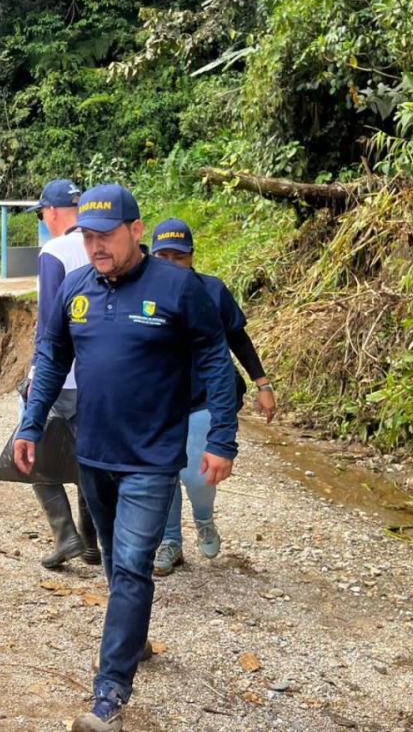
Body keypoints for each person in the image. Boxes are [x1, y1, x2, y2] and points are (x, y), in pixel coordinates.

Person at [14, 184, 239, 732]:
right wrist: (31, 422)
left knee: (134, 568)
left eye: (106, 236)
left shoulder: (179, 288)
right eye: (88, 236)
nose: (96, 247)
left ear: (136, 231)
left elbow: (214, 361)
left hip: (152, 457)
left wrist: (221, 439)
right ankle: (133, 641)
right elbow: (50, 357)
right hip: (93, 454)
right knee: (116, 562)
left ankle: (108, 696)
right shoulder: (75, 288)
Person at [147, 218, 276, 576]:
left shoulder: (212, 290)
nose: (171, 263)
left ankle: (204, 520)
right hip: (158, 402)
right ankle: (170, 542)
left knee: (195, 475)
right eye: (163, 256)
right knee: (164, 475)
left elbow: (238, 339)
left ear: (191, 257)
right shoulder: (141, 293)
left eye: (179, 256)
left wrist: (263, 385)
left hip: (204, 397)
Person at [24, 178, 100, 568]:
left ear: (51, 212)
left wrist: (38, 373)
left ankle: (65, 535)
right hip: (97, 377)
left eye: (41, 214)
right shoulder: (105, 243)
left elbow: (49, 321)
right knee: (89, 459)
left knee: (32, 453)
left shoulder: (54, 250)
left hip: (60, 377)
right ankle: (92, 543)